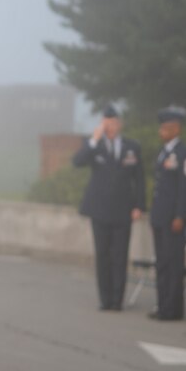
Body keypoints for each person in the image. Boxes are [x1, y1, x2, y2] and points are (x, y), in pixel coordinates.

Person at [73, 105, 145, 311]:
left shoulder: (132, 147)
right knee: (102, 255)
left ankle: (117, 299)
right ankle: (105, 299)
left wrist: (139, 205)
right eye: (106, 123)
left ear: (119, 123)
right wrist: (95, 139)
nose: (111, 127)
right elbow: (77, 162)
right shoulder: (93, 145)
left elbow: (138, 179)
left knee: (120, 256)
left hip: (123, 209)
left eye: (113, 123)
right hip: (100, 210)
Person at [149, 107, 186, 321]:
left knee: (174, 263)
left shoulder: (185, 154)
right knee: (162, 263)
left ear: (175, 129)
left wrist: (180, 216)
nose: (161, 131)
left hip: (173, 220)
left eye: (165, 128)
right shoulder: (164, 152)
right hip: (160, 217)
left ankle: (173, 309)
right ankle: (163, 306)